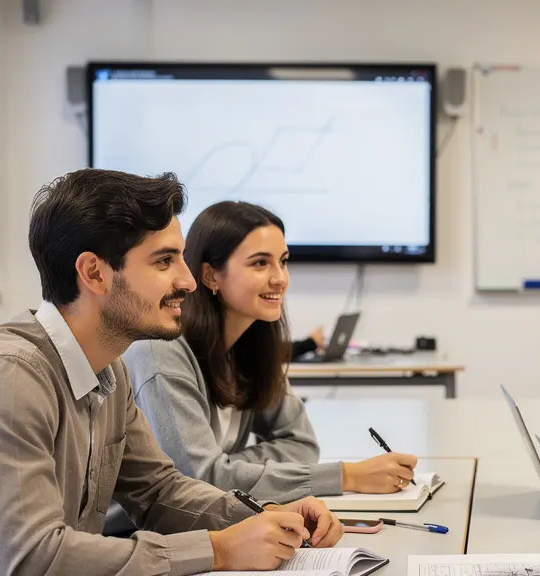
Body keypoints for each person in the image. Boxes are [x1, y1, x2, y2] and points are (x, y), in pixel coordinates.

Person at [0, 169, 344, 576]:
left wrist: (263, 513)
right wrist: (219, 549)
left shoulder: (108, 370)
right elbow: (32, 558)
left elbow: (158, 492)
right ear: (94, 273)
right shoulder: (10, 375)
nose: (188, 282)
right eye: (165, 261)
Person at [116, 200, 418, 519]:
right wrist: (347, 476)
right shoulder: (161, 350)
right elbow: (201, 482)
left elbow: (302, 444)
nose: (280, 279)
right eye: (260, 263)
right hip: (141, 541)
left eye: (283, 262)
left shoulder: (252, 343)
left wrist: (232, 469)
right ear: (210, 276)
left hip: (216, 526)